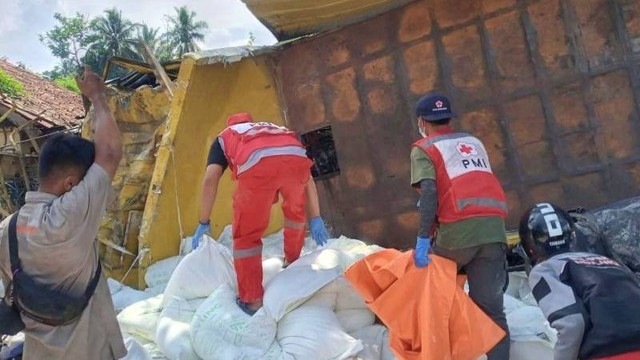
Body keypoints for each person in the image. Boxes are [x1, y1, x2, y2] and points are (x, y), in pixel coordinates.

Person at [0, 66, 126, 359]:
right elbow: (109, 154)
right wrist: (98, 98)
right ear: (71, 183)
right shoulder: (69, 216)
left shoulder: (8, 230)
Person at [192, 113, 330, 315]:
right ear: (250, 122)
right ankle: (293, 263)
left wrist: (204, 220)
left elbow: (210, 178)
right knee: (295, 215)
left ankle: (252, 300)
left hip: (257, 168)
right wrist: (315, 217)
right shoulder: (271, 128)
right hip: (296, 160)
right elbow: (306, 178)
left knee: (247, 235)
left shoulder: (225, 137)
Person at [410, 93, 510, 359]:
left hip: (457, 233)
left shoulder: (424, 148)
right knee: (492, 311)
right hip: (493, 229)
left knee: (435, 302)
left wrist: (423, 237)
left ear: (422, 121)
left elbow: (429, 192)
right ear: (449, 117)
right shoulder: (473, 142)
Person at [519, 202, 640, 360]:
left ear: (529, 247)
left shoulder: (545, 270)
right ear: (572, 235)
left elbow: (571, 323)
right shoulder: (605, 261)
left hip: (609, 352)